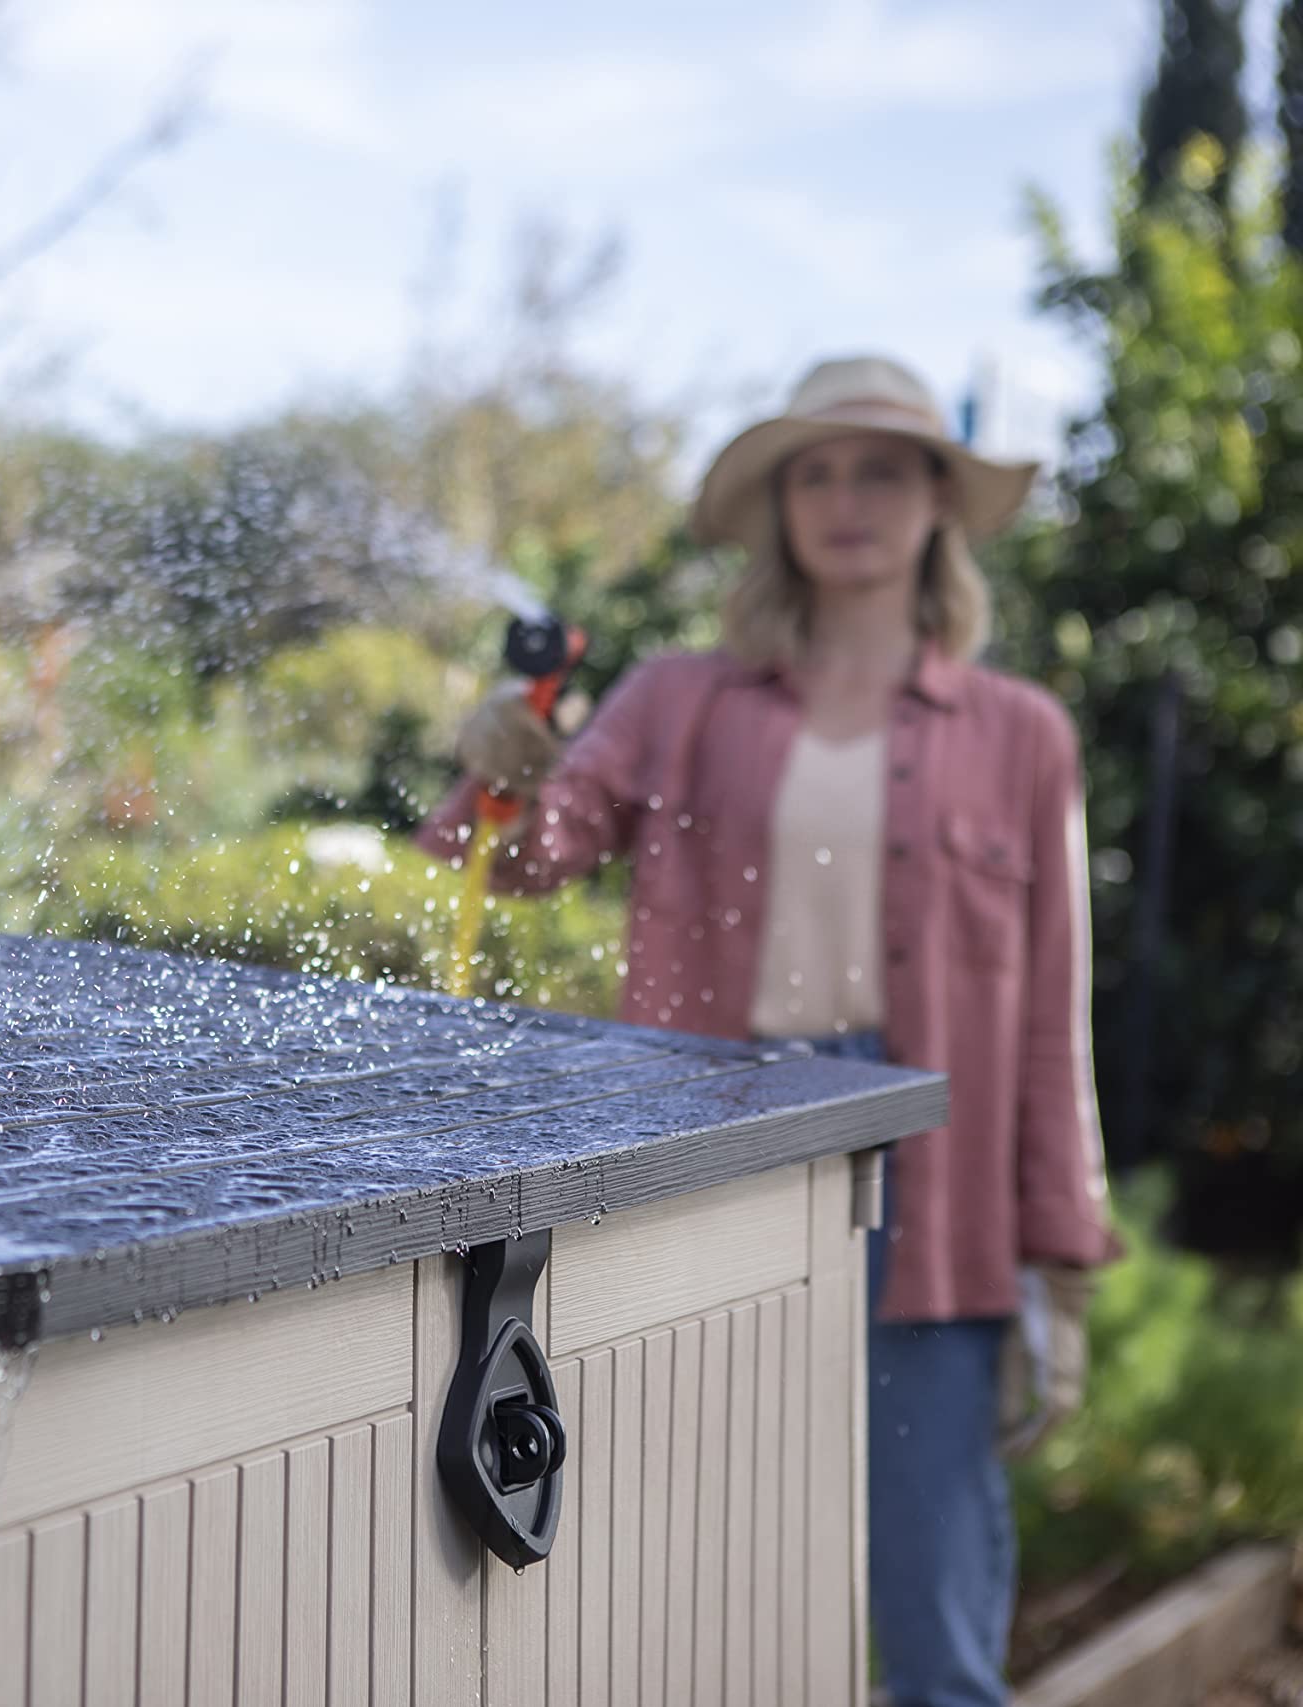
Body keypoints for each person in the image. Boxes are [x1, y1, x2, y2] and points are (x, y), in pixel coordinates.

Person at [413, 355, 1121, 1707]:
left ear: (937, 504)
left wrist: (1063, 1263)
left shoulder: (1022, 733)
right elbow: (524, 856)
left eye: (880, 469)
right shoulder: (679, 700)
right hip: (718, 1152)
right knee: (700, 1575)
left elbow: (1050, 1015)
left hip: (936, 1176)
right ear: (779, 506)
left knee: (935, 1605)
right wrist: (500, 763)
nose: (846, 498)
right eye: (816, 471)